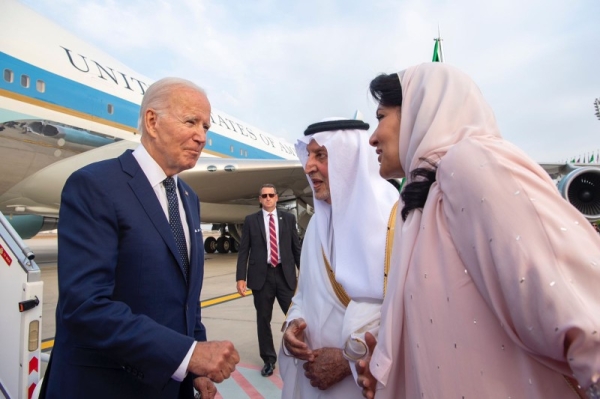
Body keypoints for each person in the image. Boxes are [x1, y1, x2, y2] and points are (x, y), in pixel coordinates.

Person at [356, 62, 600, 399]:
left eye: (381, 116)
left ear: (418, 110)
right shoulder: (421, 203)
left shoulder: (470, 162)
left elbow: (573, 303)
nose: (372, 136)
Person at [40, 77, 240, 399]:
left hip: (169, 385)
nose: (201, 137)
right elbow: (84, 307)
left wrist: (194, 368)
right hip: (107, 388)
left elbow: (186, 301)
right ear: (152, 121)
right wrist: (188, 355)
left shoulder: (188, 197)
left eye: (205, 127)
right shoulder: (95, 186)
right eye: (191, 122)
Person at [279, 119, 398, 398]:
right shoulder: (315, 227)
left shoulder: (392, 219)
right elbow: (302, 296)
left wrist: (347, 361)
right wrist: (292, 327)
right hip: (312, 380)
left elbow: (406, 312)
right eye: (308, 155)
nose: (308, 166)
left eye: (320, 155)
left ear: (349, 160)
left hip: (363, 383)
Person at [235, 183, 302, 377]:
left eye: (271, 195)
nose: (268, 198)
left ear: (277, 197)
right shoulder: (251, 221)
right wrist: (241, 277)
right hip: (261, 277)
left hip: (284, 275)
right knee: (263, 320)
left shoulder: (288, 219)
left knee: (295, 317)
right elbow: (243, 251)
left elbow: (296, 249)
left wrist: (304, 273)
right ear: (259, 199)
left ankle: (300, 353)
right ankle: (269, 360)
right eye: (264, 196)